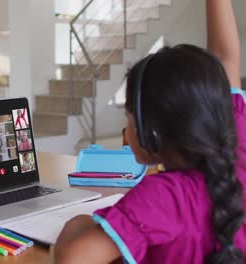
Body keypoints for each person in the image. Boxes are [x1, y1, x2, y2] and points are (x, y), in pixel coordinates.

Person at [54, 0, 246, 263]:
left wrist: (79, 221)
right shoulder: (238, 134)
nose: (125, 129)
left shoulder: (162, 197)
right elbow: (225, 57)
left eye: (129, 116)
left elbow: (73, 258)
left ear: (150, 132)